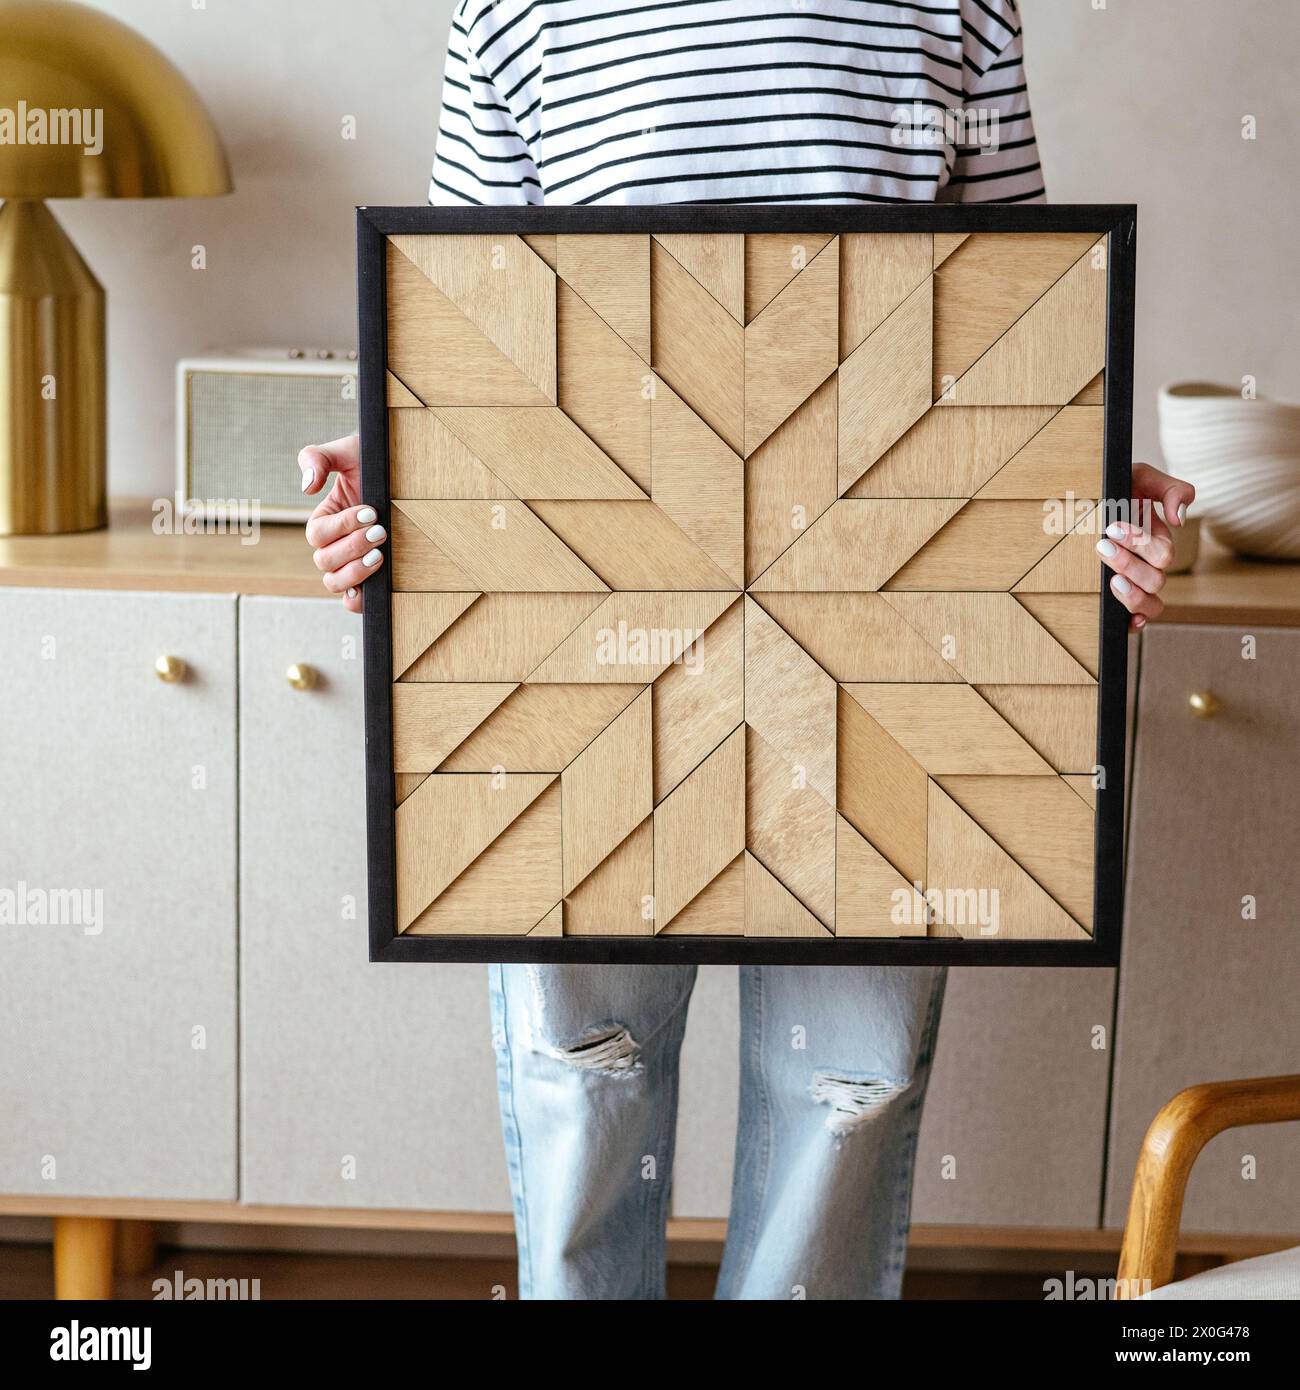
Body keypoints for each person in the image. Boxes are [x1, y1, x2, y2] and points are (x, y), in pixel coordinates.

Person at [300, 1, 1194, 1299]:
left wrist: (1101, 500)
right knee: (582, 1069)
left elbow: (1019, 325)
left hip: (885, 647)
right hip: (585, 646)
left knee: (851, 1087)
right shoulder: (515, 11)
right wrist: (392, 483)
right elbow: (471, 321)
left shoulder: (960, 8)